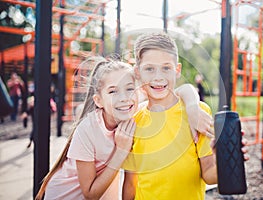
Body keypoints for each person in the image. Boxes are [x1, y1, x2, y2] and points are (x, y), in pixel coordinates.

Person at [35, 56, 210, 200]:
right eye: (112, 92)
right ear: (98, 101)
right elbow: (90, 193)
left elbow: (179, 90)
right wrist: (121, 151)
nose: (124, 98)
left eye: (129, 89)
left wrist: (193, 105)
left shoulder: (135, 113)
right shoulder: (87, 130)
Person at [122, 32, 248, 200]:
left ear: (177, 70)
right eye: (149, 69)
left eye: (166, 68)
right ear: (138, 72)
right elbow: (130, 182)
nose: (158, 76)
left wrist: (226, 161)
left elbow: (209, 175)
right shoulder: (133, 119)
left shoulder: (198, 114)